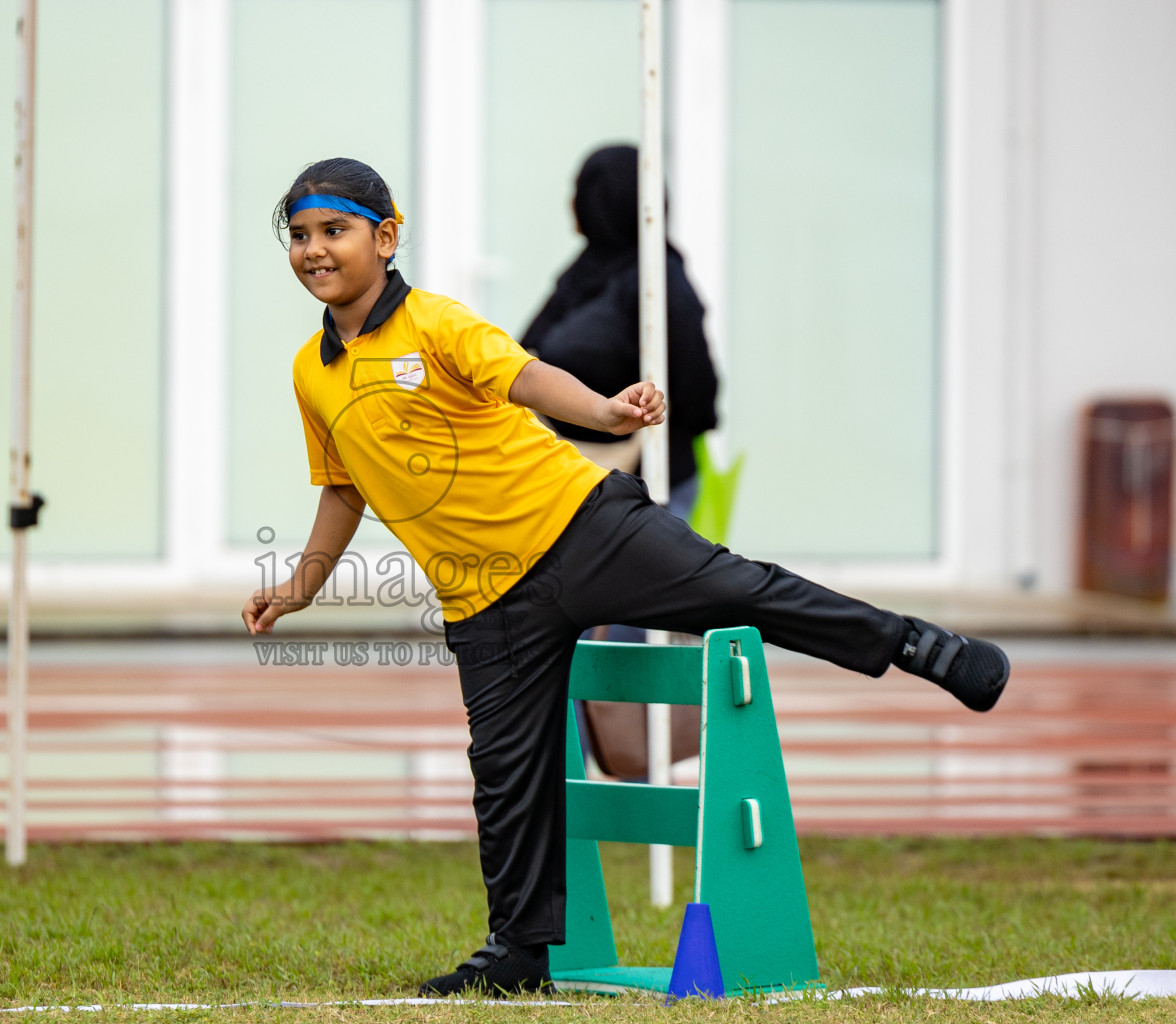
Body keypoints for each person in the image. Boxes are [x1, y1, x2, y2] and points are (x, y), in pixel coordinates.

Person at [241, 157, 1010, 998]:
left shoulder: (435, 324)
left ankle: (919, 646)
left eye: (335, 231)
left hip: (584, 528)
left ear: (385, 239)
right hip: (484, 596)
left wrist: (605, 412)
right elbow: (343, 487)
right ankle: (519, 954)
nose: (315, 251)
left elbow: (526, 375)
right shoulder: (310, 372)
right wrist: (302, 585)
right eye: (301, 236)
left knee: (742, 589)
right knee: (506, 776)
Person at [522, 144, 718, 520]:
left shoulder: (659, 278)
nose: (571, 203)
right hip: (576, 481)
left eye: (580, 190)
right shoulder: (585, 272)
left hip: (651, 486)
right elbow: (527, 352)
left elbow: (697, 387)